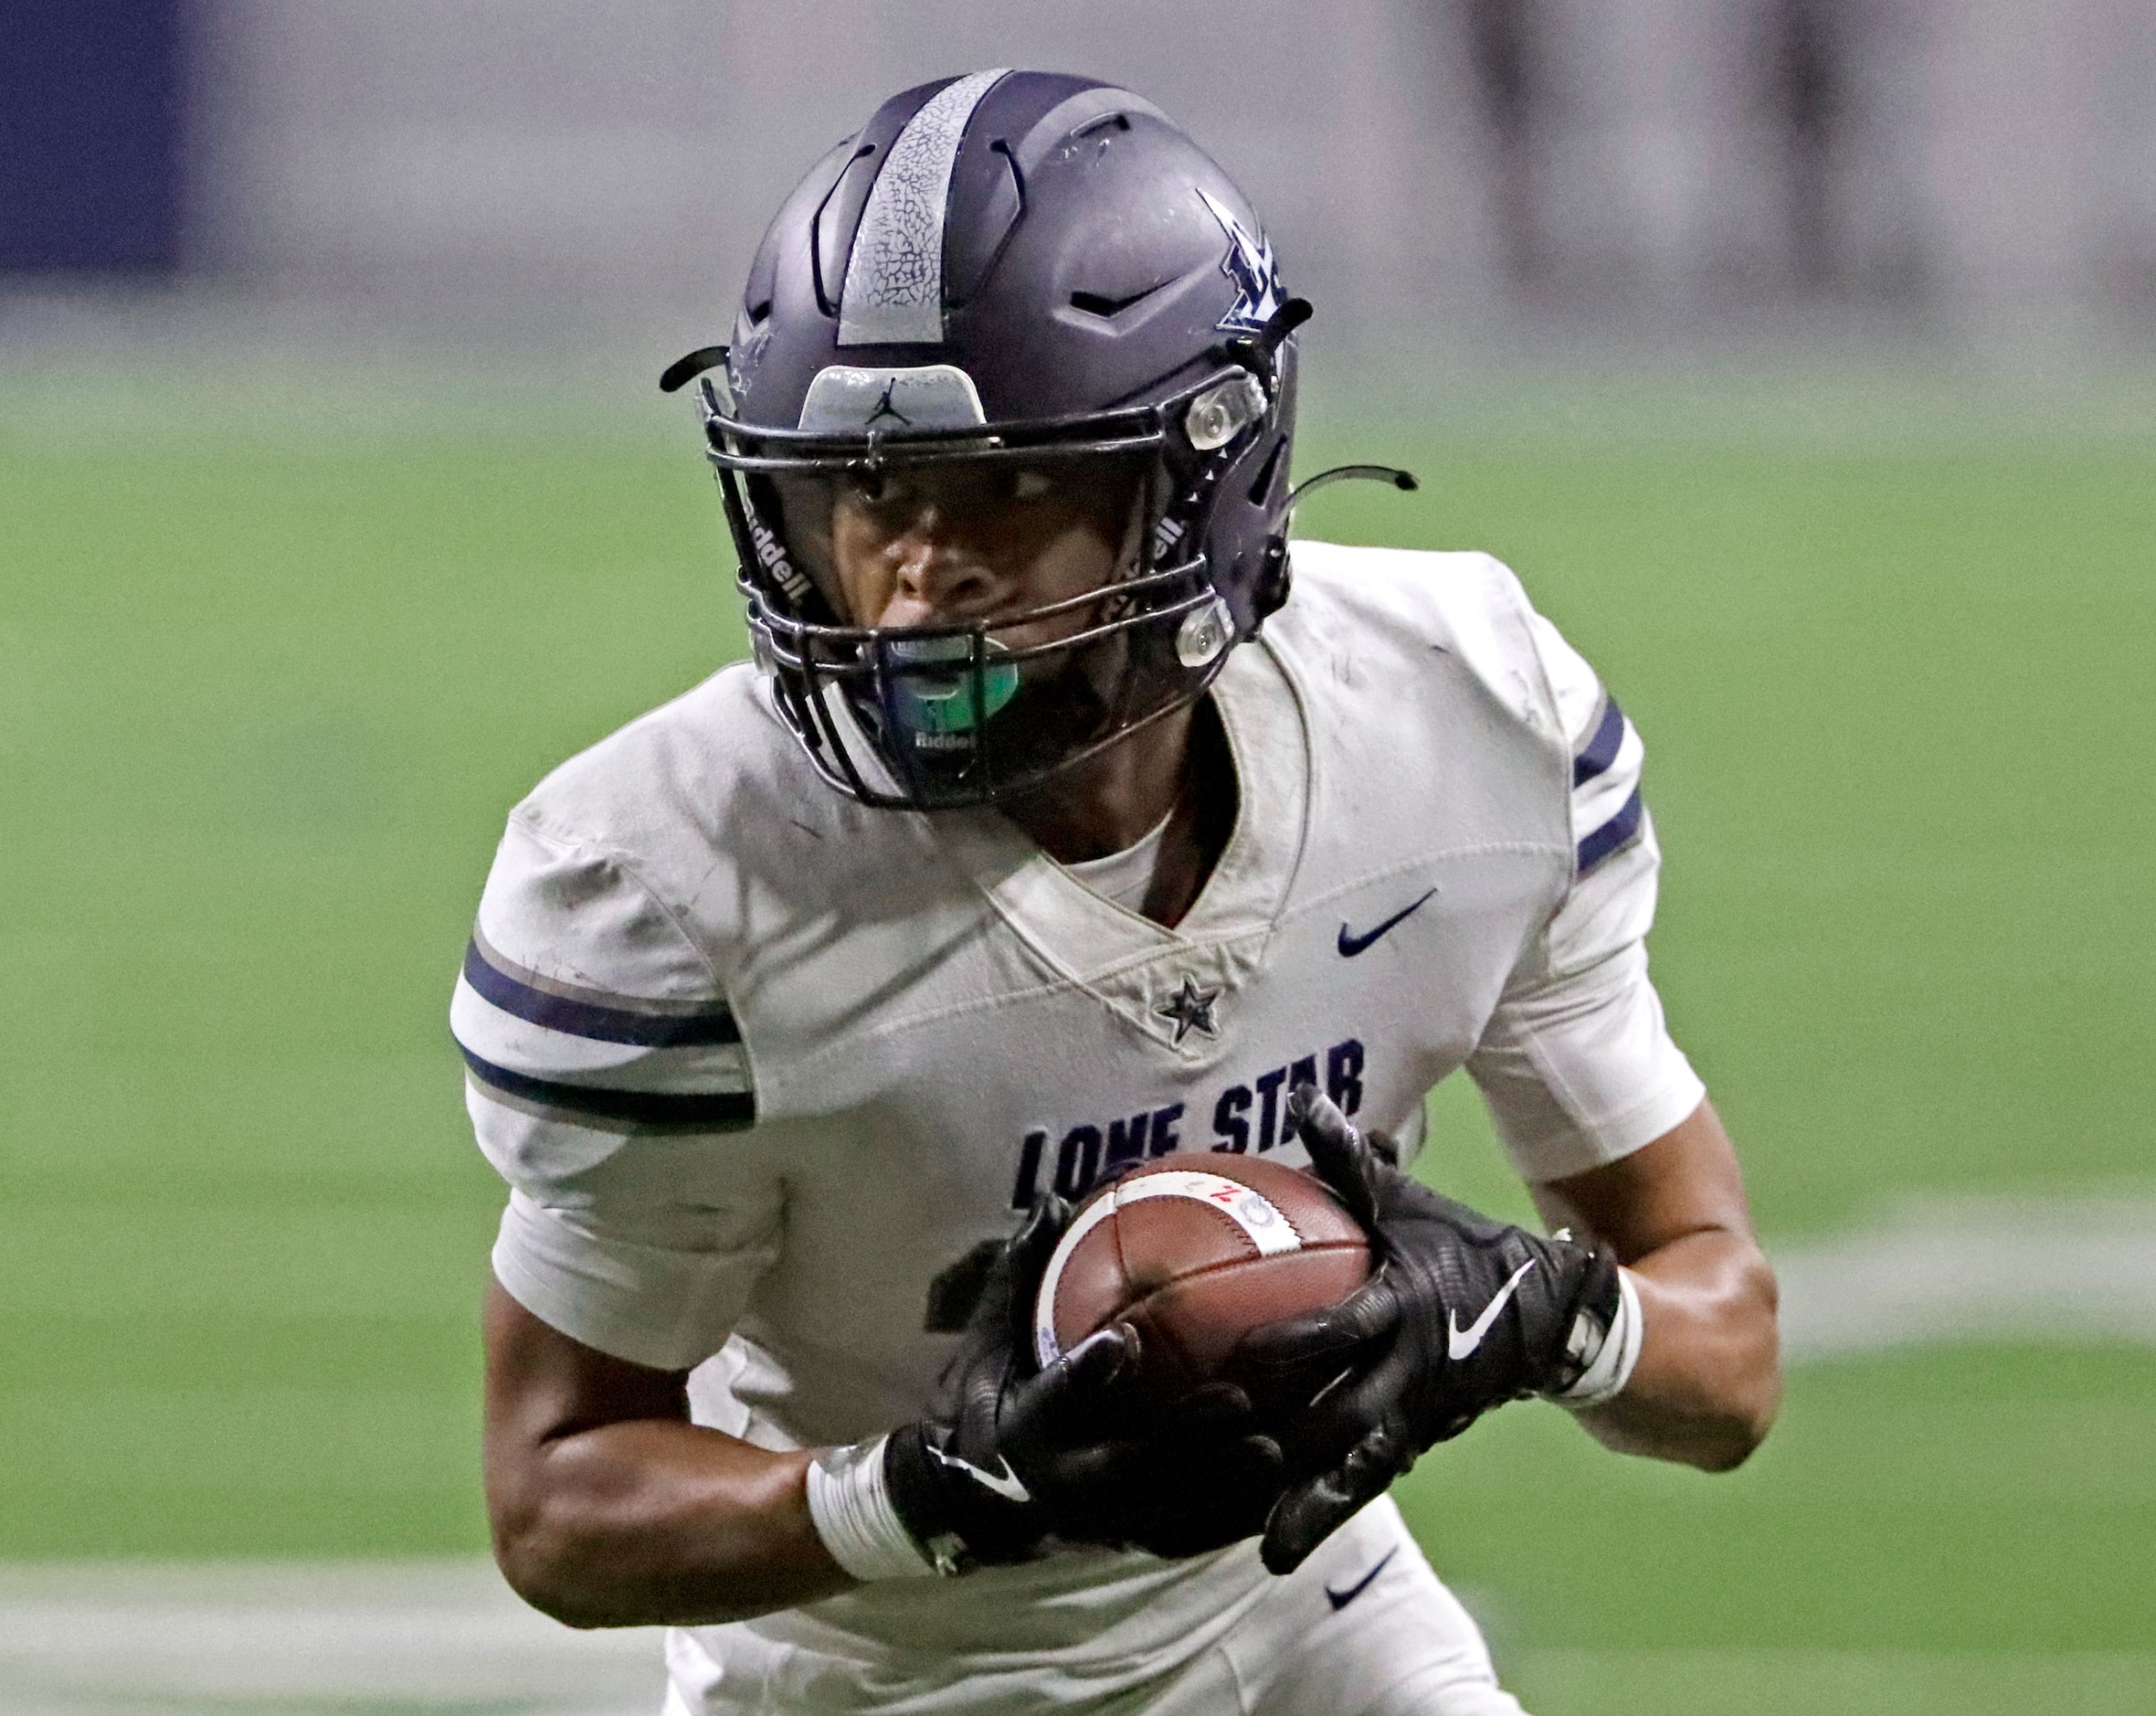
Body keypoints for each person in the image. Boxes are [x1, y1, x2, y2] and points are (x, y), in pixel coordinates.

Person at [454, 69, 1781, 1715]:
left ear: (1204, 481)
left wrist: (1545, 1322)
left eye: (1006, 484)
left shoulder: (1463, 712)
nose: (922, 576)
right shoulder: (669, 880)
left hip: (1306, 1617)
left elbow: (1726, 1357)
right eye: (868, 491)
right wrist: (930, 1490)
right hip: (871, 1681)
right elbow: (559, 1496)